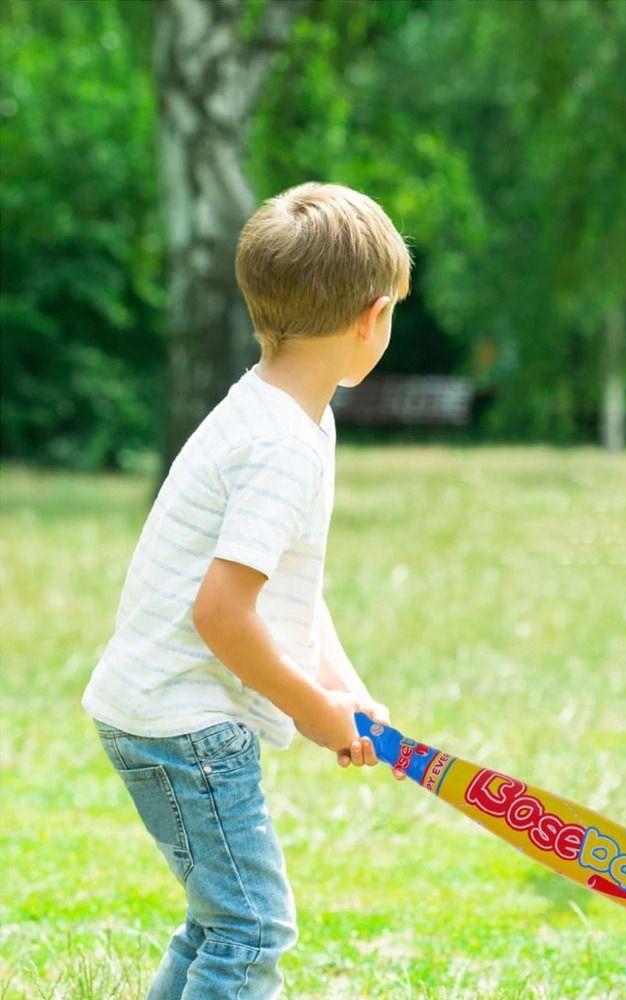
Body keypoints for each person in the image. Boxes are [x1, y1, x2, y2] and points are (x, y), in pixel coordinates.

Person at [83, 182, 411, 997]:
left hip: (157, 710)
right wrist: (312, 710)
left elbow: (288, 588)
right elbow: (222, 613)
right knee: (251, 927)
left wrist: (343, 690)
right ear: (372, 318)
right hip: (184, 724)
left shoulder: (288, 415)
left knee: (220, 923)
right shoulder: (282, 447)